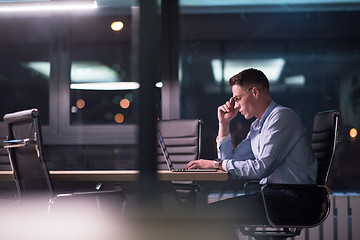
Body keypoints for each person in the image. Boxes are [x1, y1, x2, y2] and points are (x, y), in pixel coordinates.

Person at [184, 68, 318, 225]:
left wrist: (215, 164)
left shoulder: (282, 117)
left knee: (210, 215)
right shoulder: (256, 127)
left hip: (293, 200)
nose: (236, 105)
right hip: (273, 197)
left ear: (255, 92)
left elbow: (261, 168)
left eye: (238, 98)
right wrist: (224, 124)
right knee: (209, 214)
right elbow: (228, 160)